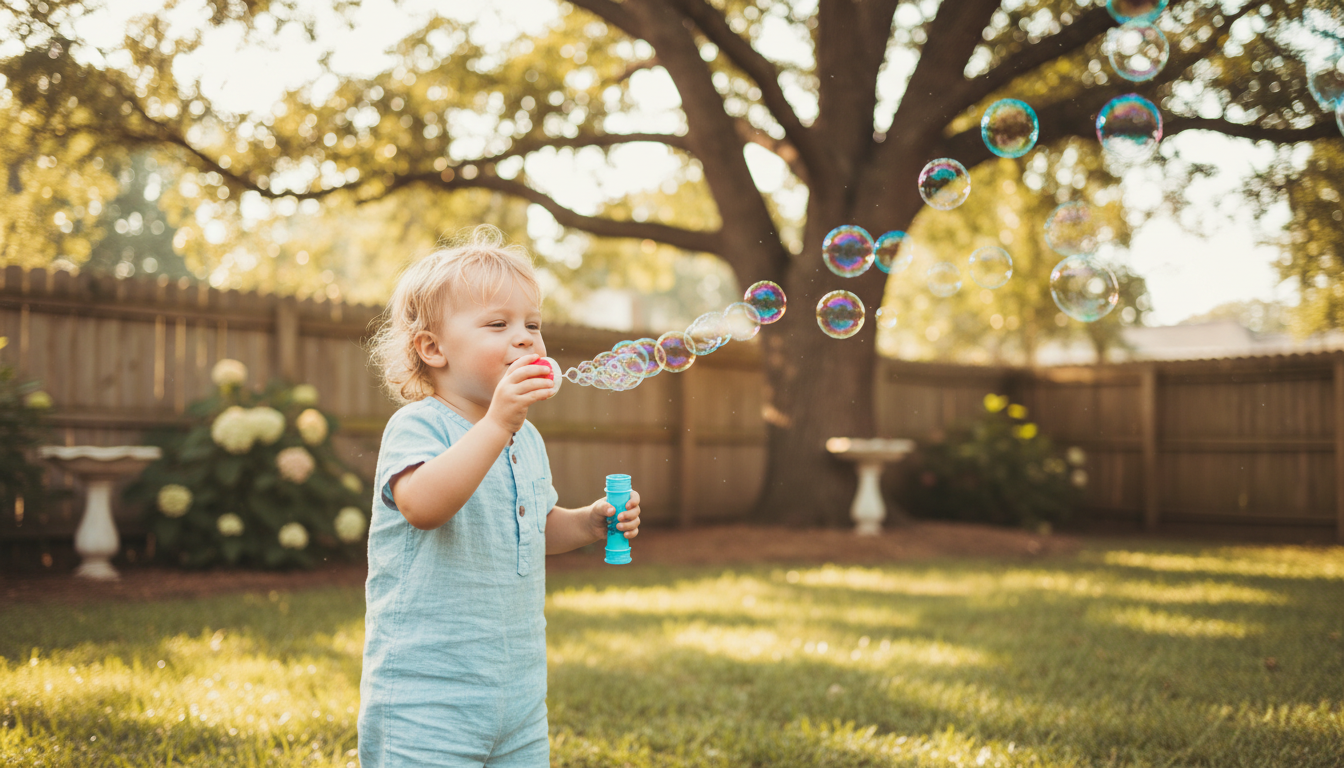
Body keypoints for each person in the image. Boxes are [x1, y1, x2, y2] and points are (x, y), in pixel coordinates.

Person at [362, 226, 642, 767]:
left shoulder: (524, 436)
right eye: (499, 324)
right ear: (432, 348)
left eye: (533, 325)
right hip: (428, 698)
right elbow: (423, 507)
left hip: (517, 696)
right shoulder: (418, 426)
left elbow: (531, 529)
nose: (525, 339)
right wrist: (496, 424)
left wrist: (587, 523)